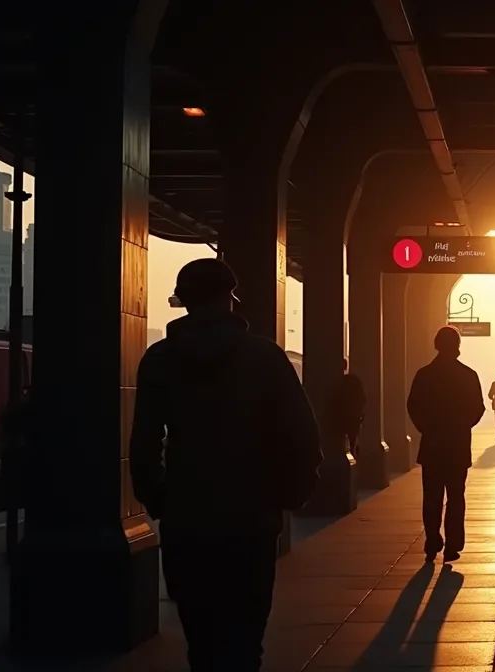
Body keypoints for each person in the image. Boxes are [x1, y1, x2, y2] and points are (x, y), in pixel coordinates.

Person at [129, 258, 322, 672]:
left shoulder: (159, 360)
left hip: (188, 517)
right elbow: (304, 434)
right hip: (251, 517)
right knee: (245, 637)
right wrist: (289, 495)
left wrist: (159, 500)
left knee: (201, 643)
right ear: (230, 299)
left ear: (184, 303)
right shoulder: (266, 357)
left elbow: (143, 444)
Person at [406, 326, 485, 562]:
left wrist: (426, 428)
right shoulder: (468, 375)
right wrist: (461, 426)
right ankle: (453, 544)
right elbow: (478, 408)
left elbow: (413, 406)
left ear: (436, 346)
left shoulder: (424, 374)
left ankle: (432, 539)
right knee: (455, 496)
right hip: (457, 445)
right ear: (458, 346)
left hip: (432, 445)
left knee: (432, 496)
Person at [327, 358, 366, 457]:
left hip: (340, 417)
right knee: (353, 440)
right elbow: (362, 398)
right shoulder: (354, 381)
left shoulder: (334, 382)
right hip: (353, 417)